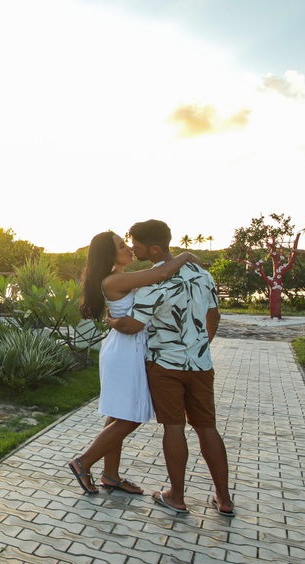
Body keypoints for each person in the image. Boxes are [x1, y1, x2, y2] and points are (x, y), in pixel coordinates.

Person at [65, 233, 197, 496]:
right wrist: (185, 255)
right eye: (122, 246)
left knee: (117, 415)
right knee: (131, 416)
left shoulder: (119, 277)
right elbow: (161, 274)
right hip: (126, 350)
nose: (129, 249)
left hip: (125, 347)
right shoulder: (114, 280)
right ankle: (83, 462)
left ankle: (110, 476)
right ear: (109, 254)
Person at [122, 219, 233, 516]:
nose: (133, 249)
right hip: (200, 365)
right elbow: (214, 316)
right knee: (207, 427)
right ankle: (224, 499)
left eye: (137, 245)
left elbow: (133, 325)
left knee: (174, 427)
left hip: (165, 365)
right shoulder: (202, 274)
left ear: (154, 249)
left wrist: (111, 320)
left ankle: (177, 497)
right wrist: (199, 346)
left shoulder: (152, 281)